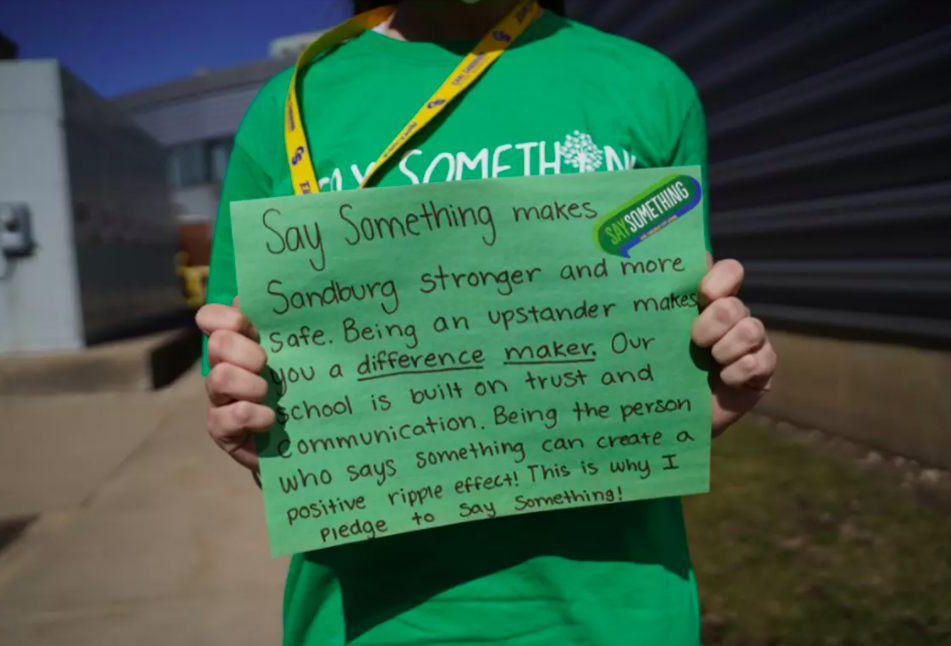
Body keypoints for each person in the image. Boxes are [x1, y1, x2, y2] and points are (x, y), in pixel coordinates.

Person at [196, 0, 778, 644]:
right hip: (366, 621)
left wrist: (700, 397)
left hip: (618, 614)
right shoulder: (290, 105)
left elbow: (668, 340)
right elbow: (242, 382)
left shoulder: (646, 84)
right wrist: (251, 420)